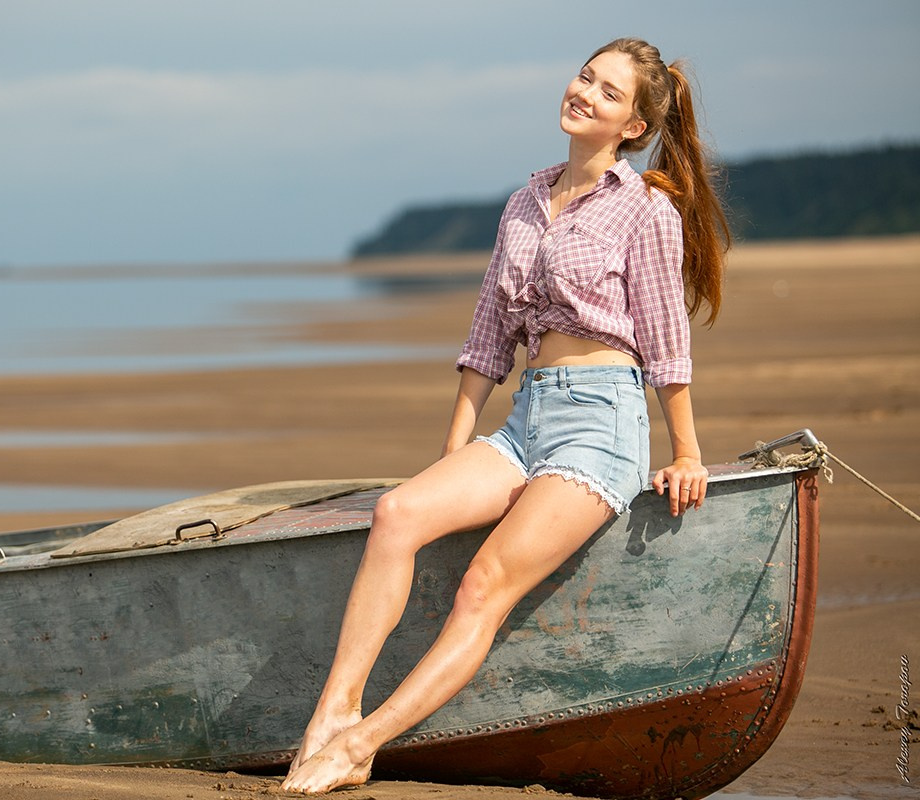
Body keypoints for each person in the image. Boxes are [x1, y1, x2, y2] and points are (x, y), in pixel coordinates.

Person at [280, 37, 731, 795]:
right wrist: (453, 453)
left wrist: (687, 450)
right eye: (585, 76)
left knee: (485, 583)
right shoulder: (523, 204)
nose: (584, 92)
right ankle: (332, 714)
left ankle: (361, 746)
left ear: (632, 126)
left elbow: (666, 341)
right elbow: (488, 336)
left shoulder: (647, 209)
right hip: (526, 421)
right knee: (397, 514)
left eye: (608, 92)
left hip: (601, 426)